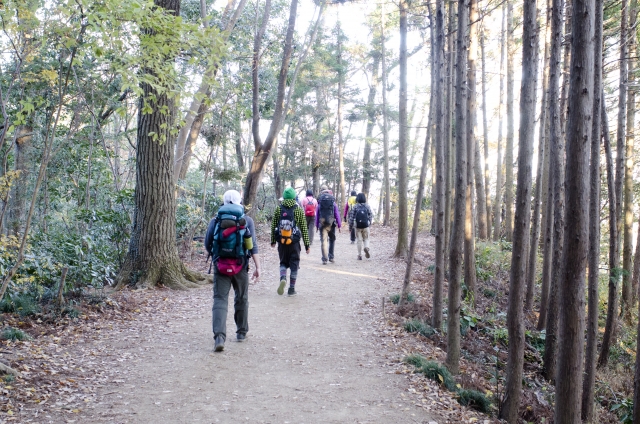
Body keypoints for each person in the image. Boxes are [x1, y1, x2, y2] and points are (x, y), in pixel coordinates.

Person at [204, 190, 260, 352]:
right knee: (241, 297)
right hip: (241, 265)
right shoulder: (246, 220)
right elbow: (253, 245)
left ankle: (219, 337)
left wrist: (217, 256)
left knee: (220, 299)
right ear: (239, 201)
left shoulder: (215, 220)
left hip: (221, 265)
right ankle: (241, 332)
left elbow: (208, 244)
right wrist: (258, 267)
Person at [271, 187, 310, 296]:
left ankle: (283, 277)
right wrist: (307, 245)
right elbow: (303, 227)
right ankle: (291, 289)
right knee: (294, 264)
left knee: (283, 262)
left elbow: (274, 225)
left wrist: (273, 240)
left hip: (282, 242)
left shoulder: (279, 208)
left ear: (283, 197)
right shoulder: (298, 209)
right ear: (294, 197)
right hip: (294, 242)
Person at [315, 186, 342, 265]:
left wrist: (316, 225)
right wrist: (339, 225)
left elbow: (317, 215)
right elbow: (336, 214)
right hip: (331, 223)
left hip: (322, 223)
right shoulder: (333, 202)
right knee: (332, 240)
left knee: (324, 241)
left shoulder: (320, 203)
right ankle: (331, 257)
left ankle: (324, 259)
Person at [349, 192, 373, 260]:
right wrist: (369, 224)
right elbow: (370, 215)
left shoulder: (355, 206)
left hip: (357, 226)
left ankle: (359, 255)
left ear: (357, 199)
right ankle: (366, 248)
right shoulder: (367, 206)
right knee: (366, 239)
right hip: (365, 226)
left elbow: (351, 217)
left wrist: (350, 227)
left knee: (359, 240)